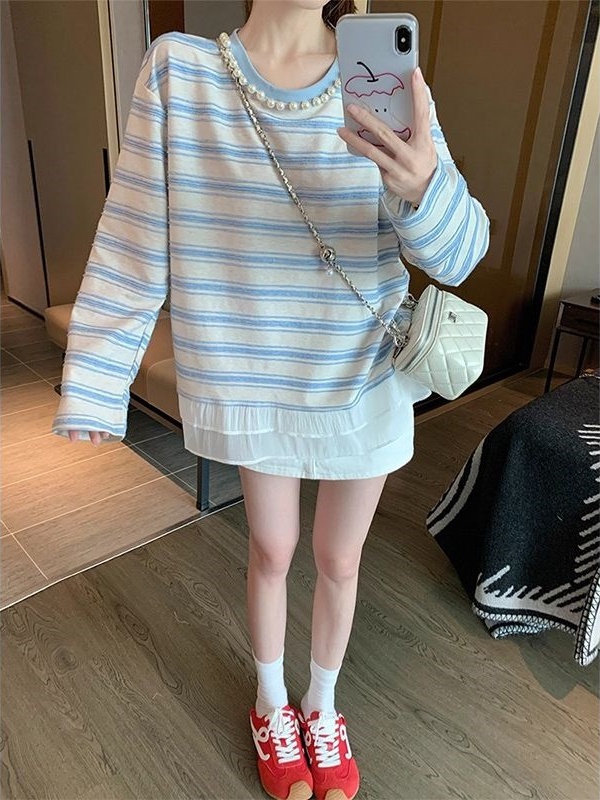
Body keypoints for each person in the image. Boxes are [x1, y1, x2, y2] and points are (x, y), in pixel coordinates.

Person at [52, 0, 489, 798]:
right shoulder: (181, 72)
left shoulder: (383, 78)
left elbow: (460, 255)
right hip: (253, 374)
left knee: (340, 558)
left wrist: (424, 186)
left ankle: (321, 704)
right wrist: (96, 377)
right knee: (271, 549)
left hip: (364, 376)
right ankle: (270, 702)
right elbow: (134, 236)